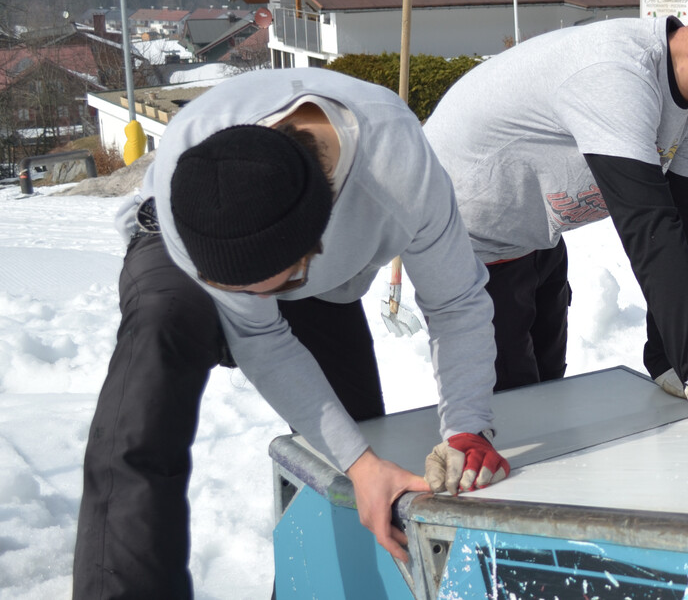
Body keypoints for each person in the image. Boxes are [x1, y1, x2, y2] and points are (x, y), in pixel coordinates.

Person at [74, 68, 507, 599]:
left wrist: (465, 427)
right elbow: (261, 340)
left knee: (362, 449)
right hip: (178, 247)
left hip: (315, 263)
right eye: (245, 293)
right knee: (158, 346)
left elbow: (456, 300)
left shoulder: (400, 174)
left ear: (314, 249)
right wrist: (356, 460)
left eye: (270, 290)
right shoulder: (186, 169)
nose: (258, 306)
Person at [423, 0, 688, 422]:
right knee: (516, 414)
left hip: (534, 236)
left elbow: (681, 220)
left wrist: (671, 357)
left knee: (547, 398)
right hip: (469, 241)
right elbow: (648, 227)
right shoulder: (616, 74)